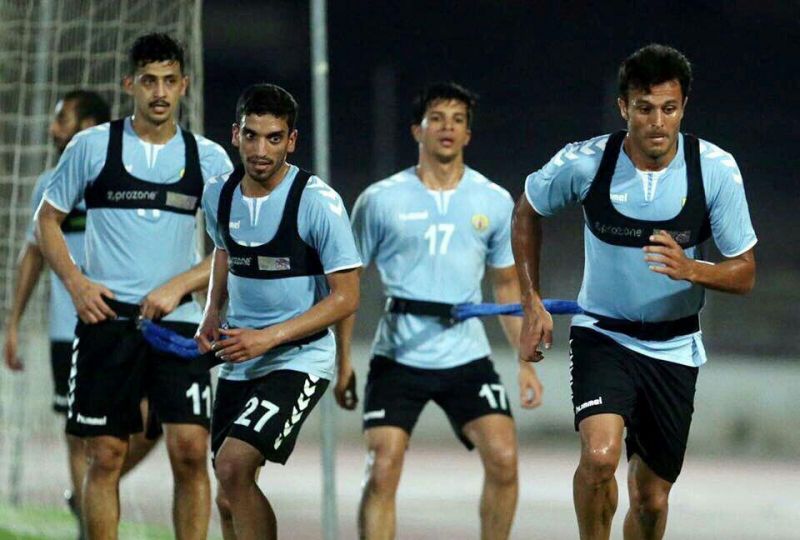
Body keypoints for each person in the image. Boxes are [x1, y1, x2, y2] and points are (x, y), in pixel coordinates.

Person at [512, 44, 757, 540]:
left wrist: (692, 269)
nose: (657, 123)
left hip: (674, 347)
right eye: (644, 108)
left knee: (650, 499)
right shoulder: (585, 163)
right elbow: (526, 212)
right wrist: (531, 301)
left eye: (669, 108)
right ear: (624, 107)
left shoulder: (714, 169)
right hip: (604, 336)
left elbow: (745, 272)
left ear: (684, 107)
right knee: (600, 458)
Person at [35, 34, 233, 539]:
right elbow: (46, 220)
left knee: (190, 450)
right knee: (105, 454)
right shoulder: (91, 147)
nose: (159, 92)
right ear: (130, 85)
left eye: (169, 81)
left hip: (179, 325)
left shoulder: (208, 158)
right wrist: (77, 284)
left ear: (184, 85)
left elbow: (235, 244)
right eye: (149, 81)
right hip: (108, 321)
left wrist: (180, 284)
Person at [337, 82, 544, 540]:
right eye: (437, 118)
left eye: (458, 120)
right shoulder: (380, 200)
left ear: (468, 133)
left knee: (504, 459)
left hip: (465, 356)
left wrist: (525, 362)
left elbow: (506, 286)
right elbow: (347, 287)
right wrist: (343, 360)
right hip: (398, 356)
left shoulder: (493, 200)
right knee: (382, 467)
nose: (448, 127)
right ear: (418, 129)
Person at [195, 83, 361, 540]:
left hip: (298, 358)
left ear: (291, 141)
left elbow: (346, 297)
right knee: (227, 494)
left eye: (273, 138)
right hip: (239, 357)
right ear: (236, 135)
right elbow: (223, 251)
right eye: (251, 135)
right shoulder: (218, 194)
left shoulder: (317, 201)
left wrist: (268, 338)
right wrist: (212, 311)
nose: (260, 150)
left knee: (233, 466)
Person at [2, 90, 161, 536]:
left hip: (131, 324)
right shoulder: (51, 183)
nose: (53, 129)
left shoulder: (129, 177)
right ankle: (88, 527)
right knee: (79, 435)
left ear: (88, 126)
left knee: (155, 421)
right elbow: (33, 254)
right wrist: (13, 323)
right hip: (67, 329)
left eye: (62, 119)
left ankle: (88, 494)